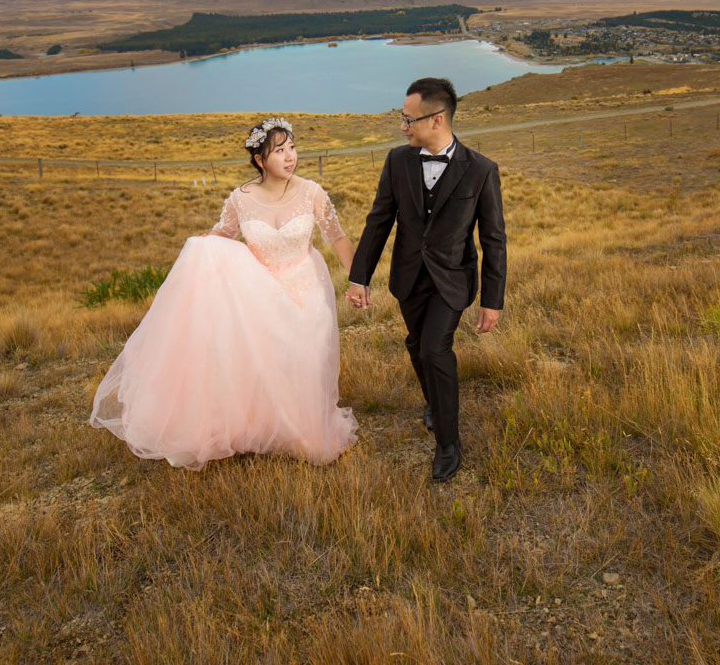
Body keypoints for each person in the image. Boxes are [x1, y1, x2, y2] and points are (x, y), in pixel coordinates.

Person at [89, 117, 358, 470]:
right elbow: (222, 236)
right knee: (268, 363)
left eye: (292, 147)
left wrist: (357, 280)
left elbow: (336, 237)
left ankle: (308, 430)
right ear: (260, 160)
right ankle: (273, 426)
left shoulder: (312, 192)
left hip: (308, 285)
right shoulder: (240, 199)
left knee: (308, 359)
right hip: (260, 290)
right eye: (279, 151)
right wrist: (202, 247)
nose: (290, 157)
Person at [346, 78, 506, 482]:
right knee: (417, 347)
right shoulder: (397, 161)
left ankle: (449, 444)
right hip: (408, 278)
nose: (402, 126)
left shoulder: (482, 170)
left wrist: (493, 300)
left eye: (408, 118)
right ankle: (435, 403)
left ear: (436, 120)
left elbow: (493, 239)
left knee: (436, 350)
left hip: (452, 281)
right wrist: (359, 278)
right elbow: (379, 220)